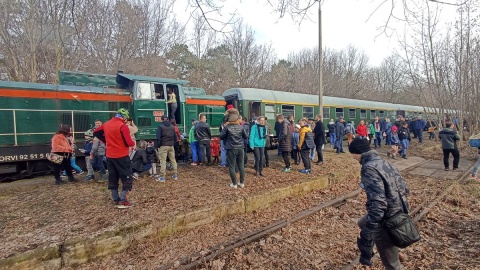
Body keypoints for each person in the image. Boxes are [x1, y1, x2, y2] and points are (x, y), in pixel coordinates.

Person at [348, 137, 410, 270]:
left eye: (352, 154)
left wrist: (370, 231)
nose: (352, 157)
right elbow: (405, 188)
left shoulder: (368, 168)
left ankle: (390, 249)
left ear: (358, 152)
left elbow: (378, 204)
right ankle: (392, 248)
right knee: (361, 223)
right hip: (399, 209)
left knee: (391, 264)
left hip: (387, 218)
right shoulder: (383, 162)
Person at [93, 108, 136, 209]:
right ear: (124, 117)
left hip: (110, 156)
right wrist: (132, 143)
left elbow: (96, 132)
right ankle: (123, 200)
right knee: (127, 177)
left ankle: (116, 199)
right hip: (121, 155)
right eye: (126, 118)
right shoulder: (122, 126)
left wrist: (105, 141)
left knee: (113, 176)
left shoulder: (107, 124)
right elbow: (129, 142)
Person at [220, 116, 248, 188]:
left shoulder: (227, 127)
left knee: (232, 166)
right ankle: (241, 183)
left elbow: (221, 136)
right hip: (240, 148)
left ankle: (234, 184)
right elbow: (245, 136)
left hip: (231, 148)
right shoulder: (241, 127)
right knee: (241, 166)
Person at [156, 115, 178, 181]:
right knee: (173, 160)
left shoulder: (160, 127)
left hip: (163, 145)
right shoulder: (172, 127)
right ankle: (175, 175)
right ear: (168, 119)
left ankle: (162, 177)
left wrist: (158, 145)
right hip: (171, 146)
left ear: (161, 119)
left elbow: (158, 137)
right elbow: (175, 137)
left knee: (163, 161)